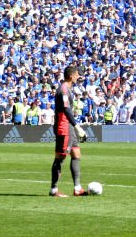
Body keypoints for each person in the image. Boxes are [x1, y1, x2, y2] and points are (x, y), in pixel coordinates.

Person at [50, 65, 89, 197]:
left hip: (68, 127)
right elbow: (66, 110)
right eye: (77, 75)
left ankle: (77, 188)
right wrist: (77, 126)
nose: (78, 77)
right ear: (71, 75)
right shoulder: (64, 90)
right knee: (60, 158)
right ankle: (53, 190)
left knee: (76, 154)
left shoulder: (68, 89)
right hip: (64, 127)